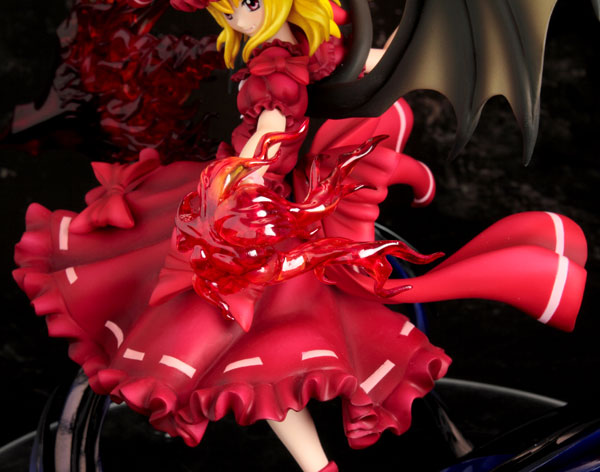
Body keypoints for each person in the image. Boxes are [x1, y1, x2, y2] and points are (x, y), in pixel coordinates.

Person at [13, 0, 587, 470]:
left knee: (250, 352)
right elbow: (357, 76)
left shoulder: (278, 74)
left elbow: (271, 136)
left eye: (245, 4)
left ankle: (317, 465)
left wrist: (239, 180)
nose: (233, 18)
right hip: (272, 197)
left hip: (265, 211)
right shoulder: (311, 50)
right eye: (224, 9)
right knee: (244, 344)